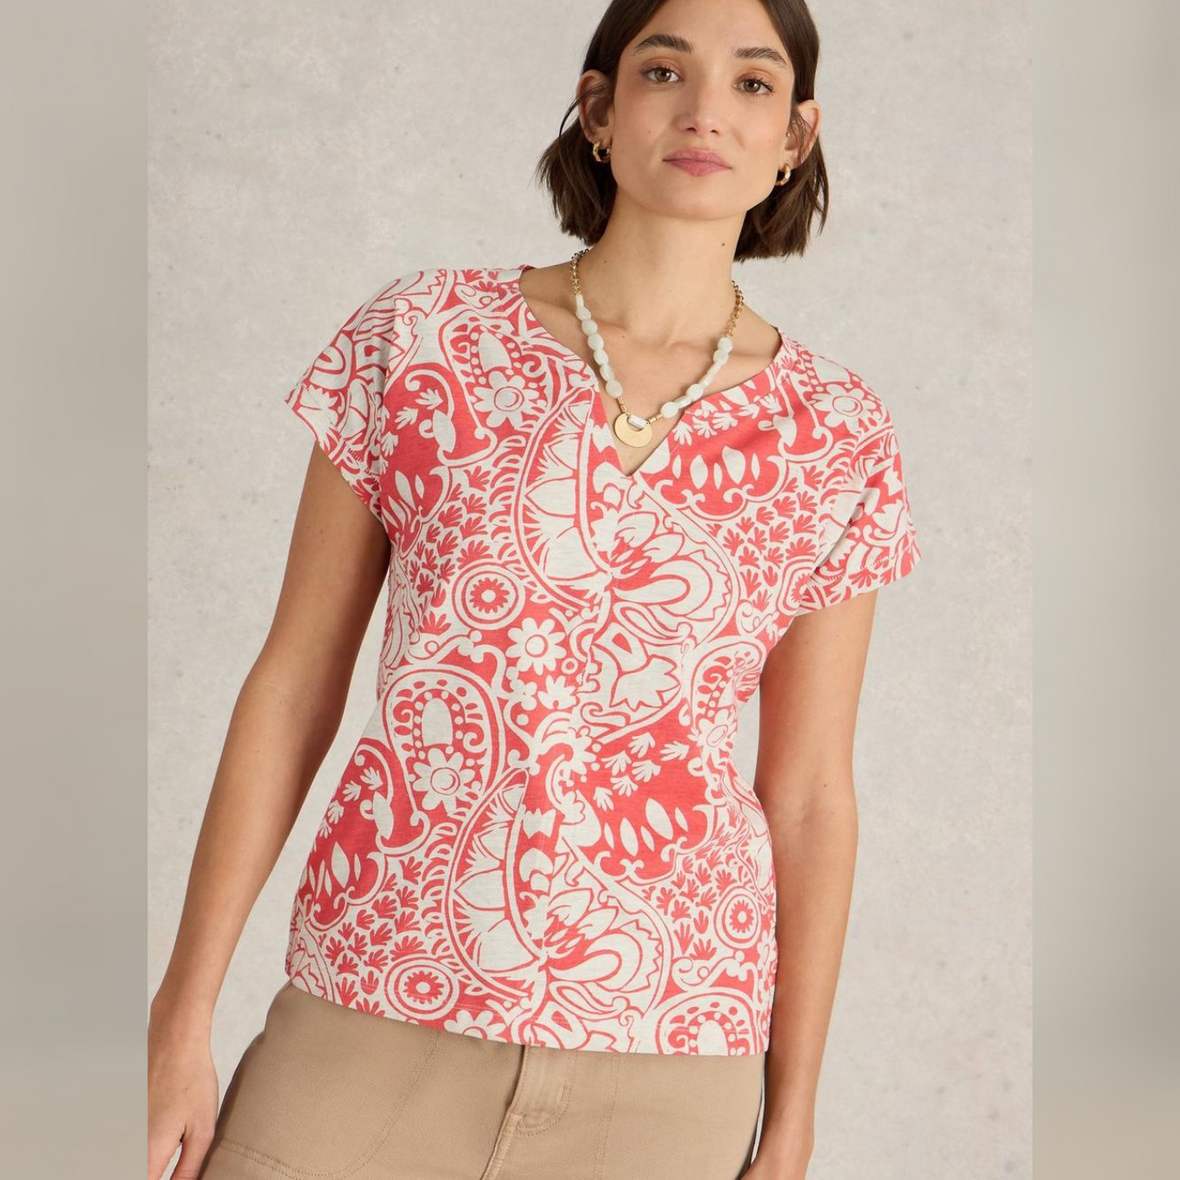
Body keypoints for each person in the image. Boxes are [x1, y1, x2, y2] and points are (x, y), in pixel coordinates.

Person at [148, 1, 924, 1178]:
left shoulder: (836, 433)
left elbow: (810, 791)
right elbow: (294, 681)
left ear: (795, 138)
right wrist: (181, 1017)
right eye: (662, 70)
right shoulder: (421, 341)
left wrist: (794, 1108)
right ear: (598, 110)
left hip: (672, 1066)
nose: (705, 109)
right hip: (374, 1008)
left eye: (752, 83)